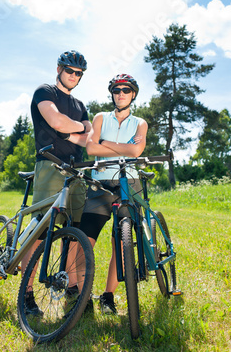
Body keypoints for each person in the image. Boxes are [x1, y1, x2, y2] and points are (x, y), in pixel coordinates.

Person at [22, 50, 91, 315]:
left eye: (78, 73)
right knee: (41, 232)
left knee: (74, 233)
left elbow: (88, 138)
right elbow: (54, 120)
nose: (74, 76)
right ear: (59, 69)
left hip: (76, 171)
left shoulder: (80, 105)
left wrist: (69, 132)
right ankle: (27, 293)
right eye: (70, 70)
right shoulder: (45, 91)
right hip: (50, 164)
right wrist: (76, 128)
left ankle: (72, 290)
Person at [79, 74, 148, 315]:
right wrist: (123, 148)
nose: (121, 94)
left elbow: (137, 150)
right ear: (112, 94)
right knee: (84, 242)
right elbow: (90, 147)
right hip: (100, 185)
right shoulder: (100, 118)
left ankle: (108, 296)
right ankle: (82, 296)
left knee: (121, 243)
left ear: (133, 94)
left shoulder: (140, 123)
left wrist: (105, 143)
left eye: (126, 90)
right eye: (117, 90)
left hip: (128, 182)